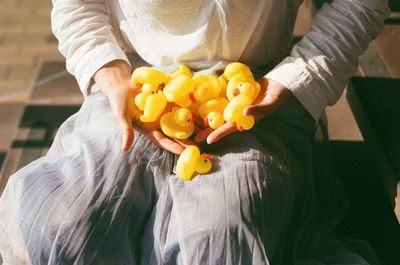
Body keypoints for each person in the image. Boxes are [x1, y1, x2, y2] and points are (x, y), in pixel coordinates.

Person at [0, 0, 390, 264]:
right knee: (57, 225)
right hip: (141, 86)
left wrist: (297, 77)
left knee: (219, 240)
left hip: (257, 97)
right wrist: (111, 74)